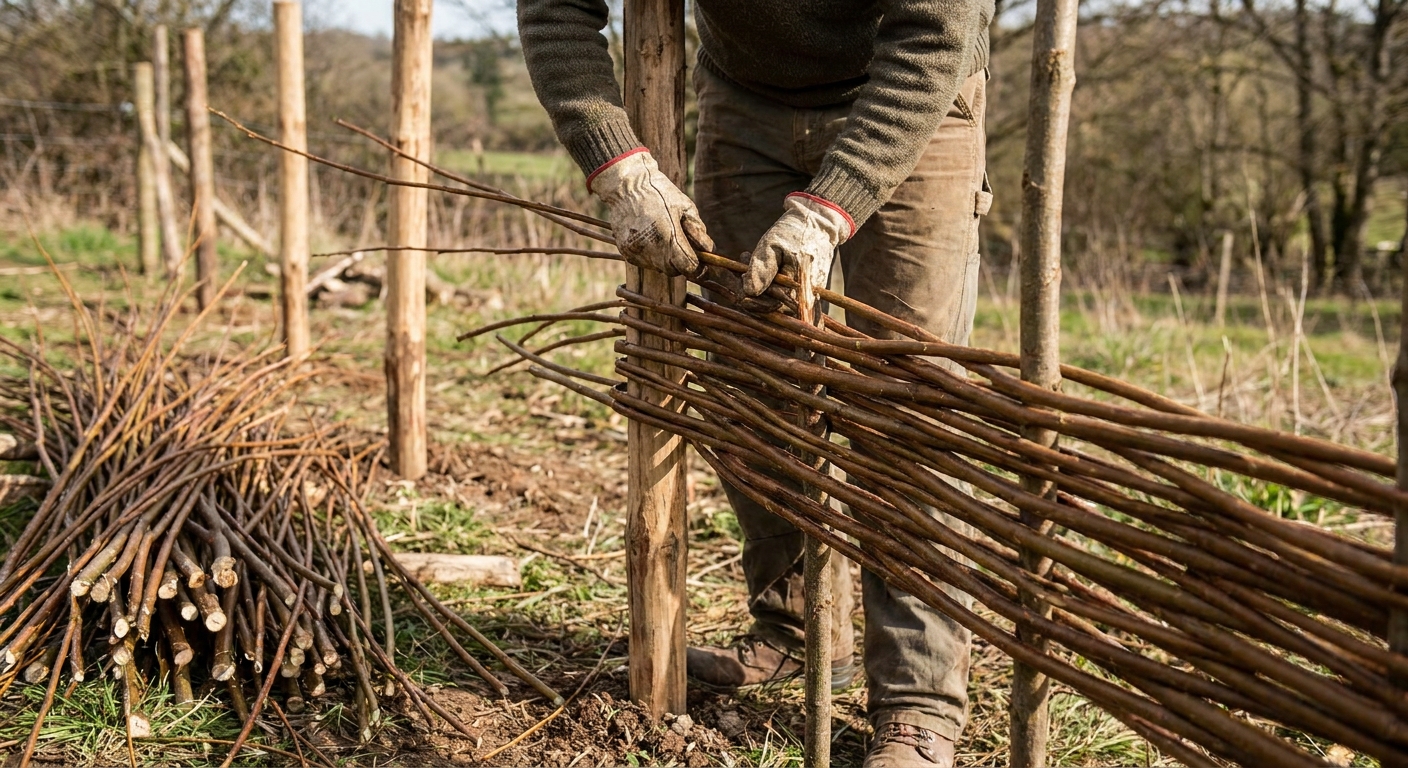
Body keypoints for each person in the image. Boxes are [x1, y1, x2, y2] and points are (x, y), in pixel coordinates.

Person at [519, 2, 994, 766]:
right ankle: (797, 626)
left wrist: (831, 209)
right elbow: (556, 7)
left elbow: (935, 30)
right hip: (746, 100)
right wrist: (616, 163)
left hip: (912, 93)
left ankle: (917, 697)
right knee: (752, 387)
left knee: (906, 403)